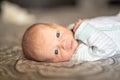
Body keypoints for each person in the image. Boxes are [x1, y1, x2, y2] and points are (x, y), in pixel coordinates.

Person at [22, 13, 120, 62]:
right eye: (56, 51)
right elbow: (109, 48)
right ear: (55, 62)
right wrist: (85, 31)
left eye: (57, 35)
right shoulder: (81, 54)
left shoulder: (71, 27)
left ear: (57, 25)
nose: (64, 44)